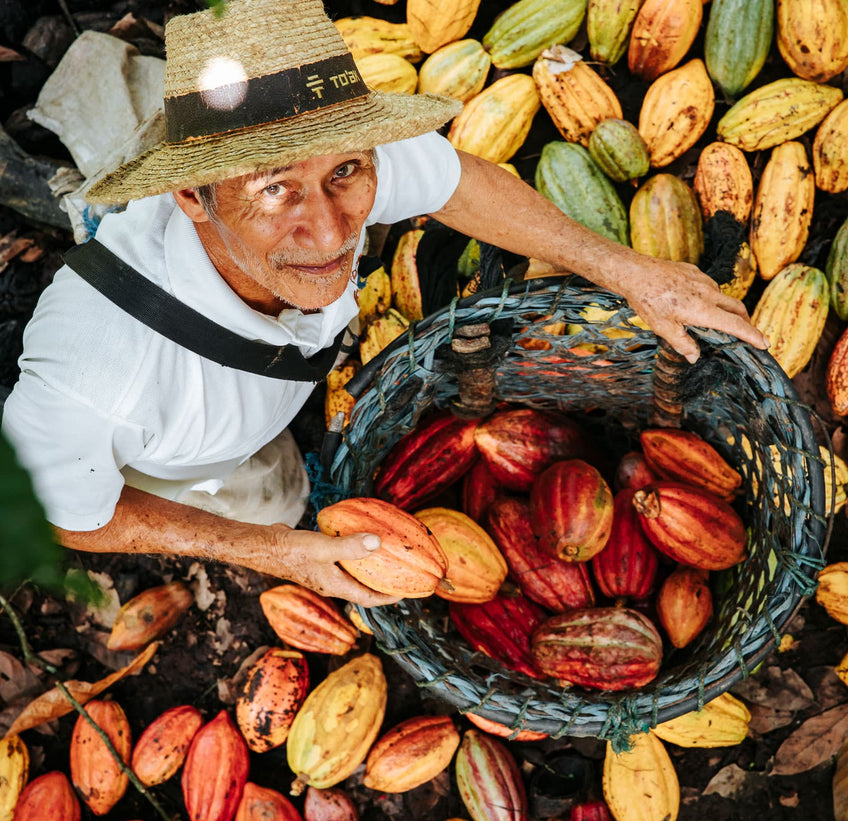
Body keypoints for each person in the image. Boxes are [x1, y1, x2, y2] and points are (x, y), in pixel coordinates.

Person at [1, 0, 767, 607]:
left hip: (265, 356)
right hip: (185, 455)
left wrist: (626, 269)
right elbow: (61, 513)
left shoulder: (330, 163)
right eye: (274, 188)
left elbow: (457, 182)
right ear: (193, 196)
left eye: (347, 174)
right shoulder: (99, 377)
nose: (334, 229)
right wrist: (274, 553)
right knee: (271, 506)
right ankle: (73, 190)